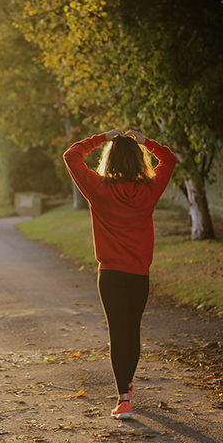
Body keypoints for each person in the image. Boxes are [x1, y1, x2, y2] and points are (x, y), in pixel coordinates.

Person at [63, 128, 177, 419]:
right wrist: (145, 142)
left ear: (109, 160)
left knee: (118, 333)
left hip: (111, 274)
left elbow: (71, 155)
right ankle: (126, 387)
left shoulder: (98, 188)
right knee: (132, 331)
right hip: (139, 274)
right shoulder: (150, 189)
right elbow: (170, 159)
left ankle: (123, 399)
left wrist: (101, 138)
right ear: (139, 161)